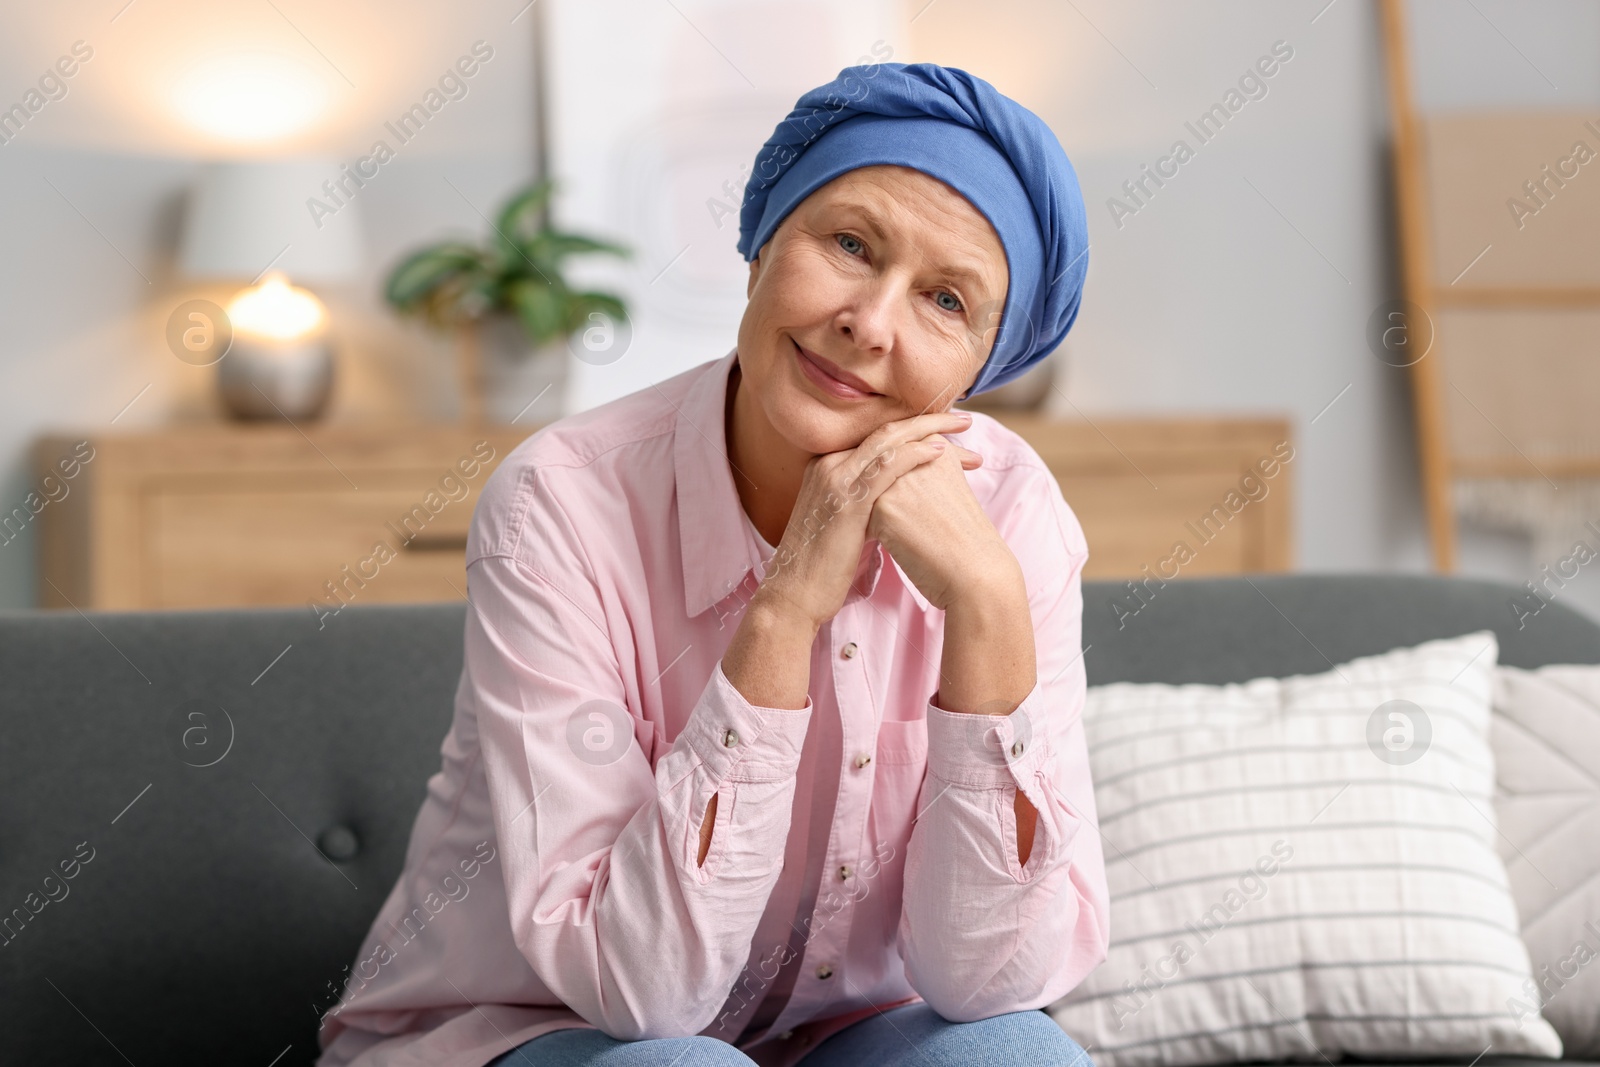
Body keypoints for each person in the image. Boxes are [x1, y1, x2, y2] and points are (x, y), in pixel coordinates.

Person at [314, 61, 1106, 1067]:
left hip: (835, 1037)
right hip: (532, 1027)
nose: (870, 321)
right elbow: (647, 991)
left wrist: (989, 603)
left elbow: (991, 982)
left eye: (945, 301)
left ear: (978, 371)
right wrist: (780, 617)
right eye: (850, 244)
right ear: (761, 246)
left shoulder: (1012, 507)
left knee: (1014, 1054)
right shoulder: (562, 500)